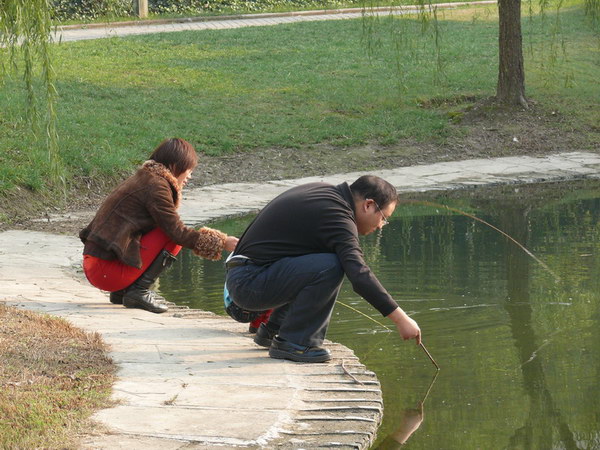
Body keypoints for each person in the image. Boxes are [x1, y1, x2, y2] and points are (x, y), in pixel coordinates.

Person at [224, 175, 421, 363]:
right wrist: (400, 319)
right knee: (332, 264)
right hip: (248, 284)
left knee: (323, 259)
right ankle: (295, 343)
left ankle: (274, 330)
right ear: (368, 205)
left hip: (246, 278)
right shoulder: (338, 215)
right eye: (383, 218)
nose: (380, 226)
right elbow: (359, 273)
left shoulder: (325, 194)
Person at [80, 138, 238, 313]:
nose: (190, 176)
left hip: (96, 266)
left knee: (166, 229)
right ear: (174, 165)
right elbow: (177, 233)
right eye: (189, 170)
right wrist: (222, 242)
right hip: (105, 272)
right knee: (172, 237)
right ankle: (138, 291)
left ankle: (122, 292)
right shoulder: (157, 186)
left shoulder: (145, 178)